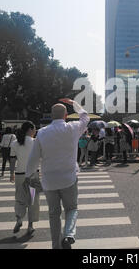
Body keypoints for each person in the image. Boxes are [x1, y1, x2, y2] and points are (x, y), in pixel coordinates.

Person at [25, 99, 89, 249]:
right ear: (66, 115)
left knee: (54, 214)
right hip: (69, 178)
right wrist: (75, 103)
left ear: (51, 116)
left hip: (49, 181)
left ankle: (56, 245)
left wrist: (29, 176)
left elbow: (33, 158)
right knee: (72, 209)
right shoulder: (72, 128)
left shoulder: (41, 133)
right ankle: (68, 234)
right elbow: (85, 118)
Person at [9, 121, 40, 235]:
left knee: (20, 199)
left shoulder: (15, 143)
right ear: (30, 129)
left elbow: (12, 160)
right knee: (32, 200)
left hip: (19, 175)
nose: (35, 131)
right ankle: (30, 226)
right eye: (35, 129)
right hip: (32, 176)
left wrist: (11, 173)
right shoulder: (35, 142)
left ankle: (19, 219)